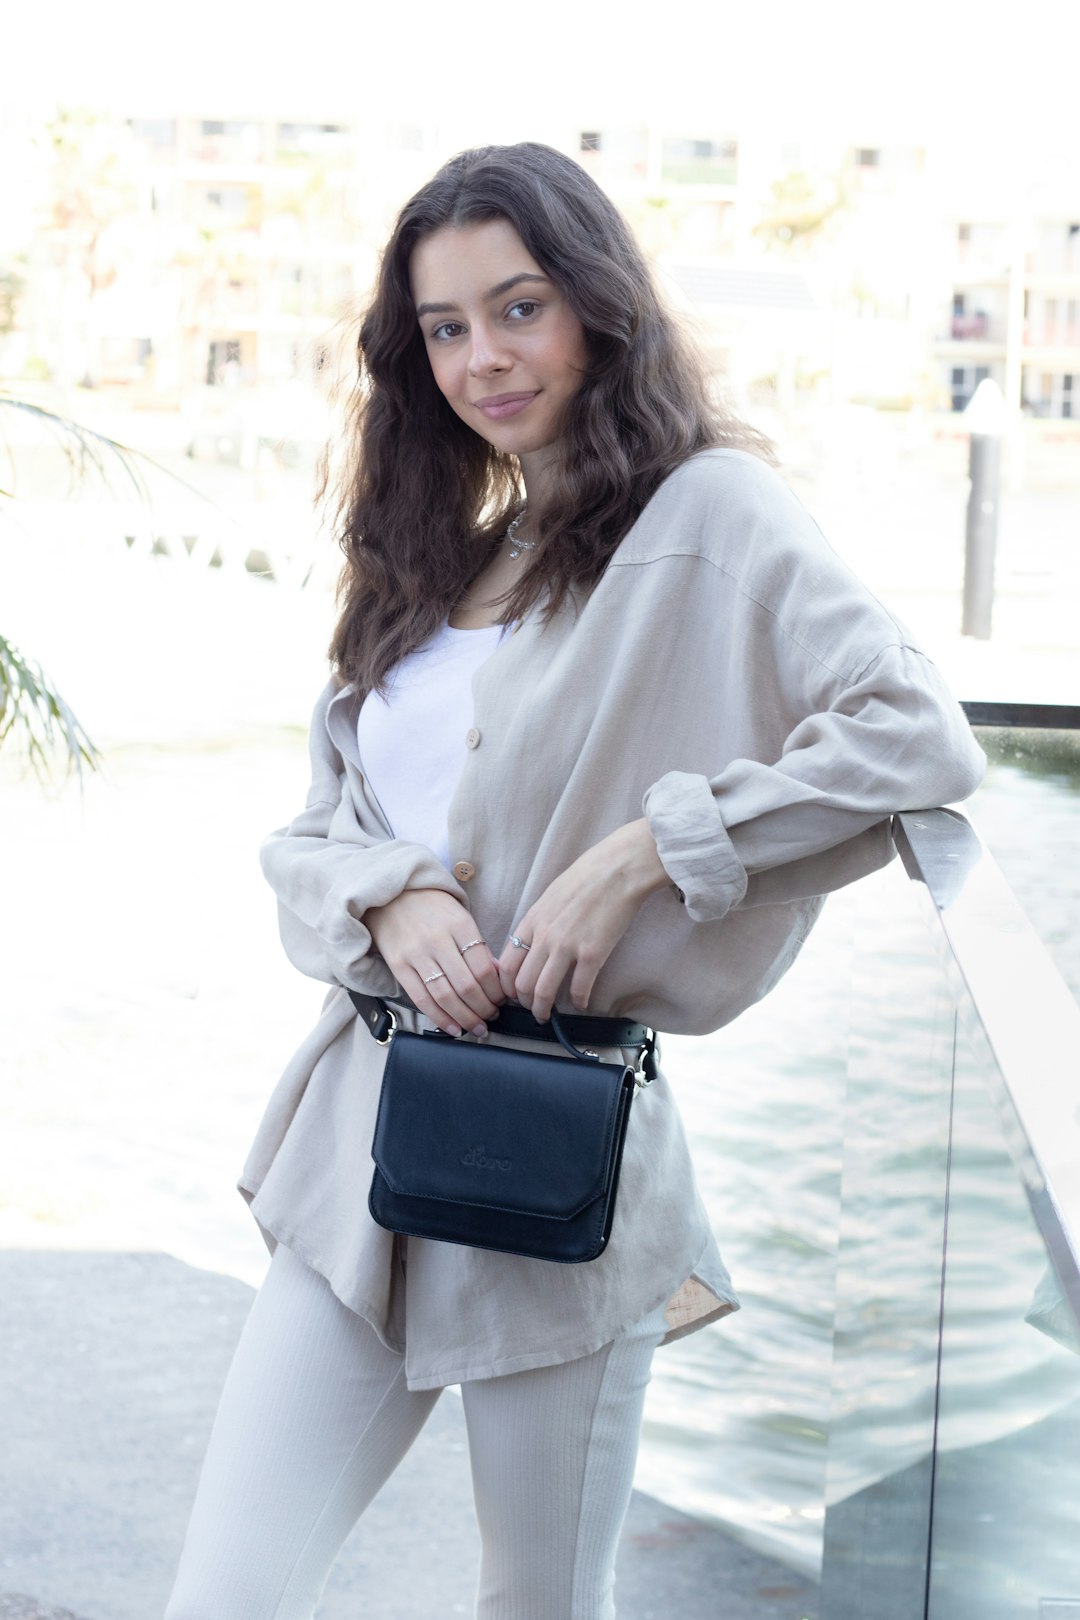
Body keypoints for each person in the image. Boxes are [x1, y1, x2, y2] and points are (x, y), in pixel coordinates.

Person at [164, 142, 984, 1620]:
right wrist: (393, 895)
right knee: (223, 1594)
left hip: (558, 1155)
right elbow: (309, 831)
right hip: (363, 1134)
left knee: (537, 1603)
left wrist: (648, 855)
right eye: (446, 327)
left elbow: (915, 734)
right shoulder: (439, 561)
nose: (485, 356)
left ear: (599, 306)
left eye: (519, 306)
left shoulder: (713, 514)